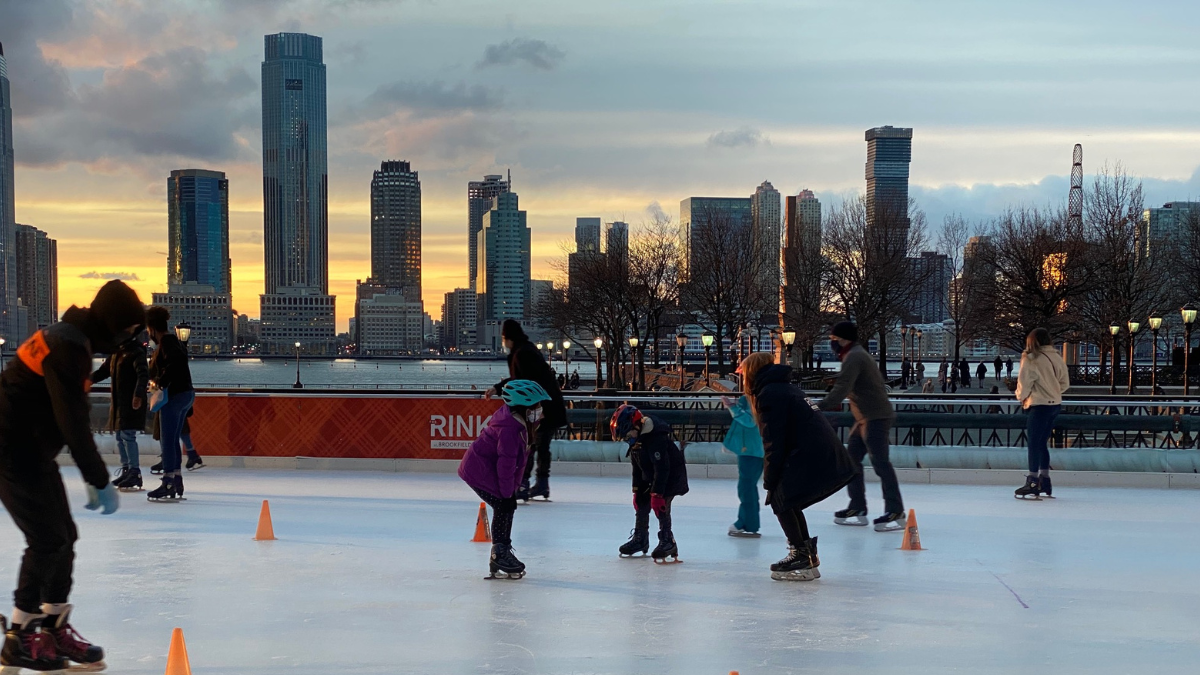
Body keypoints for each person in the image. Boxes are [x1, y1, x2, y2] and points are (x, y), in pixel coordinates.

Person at [0, 280, 144, 672]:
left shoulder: (72, 340)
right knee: (47, 540)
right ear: (114, 324)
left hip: (30, 452)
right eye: (130, 329)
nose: (130, 338)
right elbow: (72, 418)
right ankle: (20, 636)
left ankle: (52, 629)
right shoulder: (67, 344)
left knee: (65, 537)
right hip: (11, 451)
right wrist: (97, 477)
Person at [742, 353, 855, 581]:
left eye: (742, 373)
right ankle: (806, 554)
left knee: (781, 500)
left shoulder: (769, 394)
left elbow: (774, 441)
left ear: (751, 372)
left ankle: (800, 554)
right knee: (788, 500)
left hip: (810, 453)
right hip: (818, 450)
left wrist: (770, 480)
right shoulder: (784, 388)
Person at [458, 380, 550, 579]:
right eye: (537, 407)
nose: (541, 412)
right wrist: (508, 493)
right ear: (524, 408)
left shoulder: (521, 424)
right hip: (478, 471)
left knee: (507, 505)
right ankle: (499, 553)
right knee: (503, 504)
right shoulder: (510, 429)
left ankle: (502, 550)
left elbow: (519, 463)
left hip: (487, 469)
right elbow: (506, 464)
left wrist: (512, 490)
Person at [819, 321, 906, 531]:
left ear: (843, 339)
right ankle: (857, 507)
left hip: (875, 417)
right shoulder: (854, 354)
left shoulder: (855, 356)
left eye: (833, 340)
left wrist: (817, 407)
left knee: (880, 463)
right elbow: (848, 384)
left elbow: (843, 387)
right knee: (851, 462)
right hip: (864, 418)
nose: (832, 344)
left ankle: (896, 510)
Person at [486, 320, 566, 501]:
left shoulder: (522, 354)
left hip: (541, 408)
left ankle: (524, 484)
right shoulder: (525, 351)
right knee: (539, 446)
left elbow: (524, 382)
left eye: (503, 337)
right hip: (547, 406)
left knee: (529, 446)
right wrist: (498, 388)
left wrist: (537, 409)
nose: (502, 341)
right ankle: (540, 484)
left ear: (508, 337)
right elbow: (522, 380)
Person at [611, 404, 688, 563]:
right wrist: (636, 490)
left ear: (637, 425)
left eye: (628, 434)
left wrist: (657, 493)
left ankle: (668, 540)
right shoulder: (636, 439)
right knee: (642, 502)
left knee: (661, 505)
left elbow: (663, 468)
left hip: (670, 474)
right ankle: (641, 538)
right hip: (651, 473)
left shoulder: (655, 437)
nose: (628, 438)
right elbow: (637, 468)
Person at [145, 306, 195, 502]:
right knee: (173, 439)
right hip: (185, 394)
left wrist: (160, 383)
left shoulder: (166, 343)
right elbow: (180, 363)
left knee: (168, 440)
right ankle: (175, 479)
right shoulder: (175, 342)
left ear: (152, 329)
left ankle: (168, 481)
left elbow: (173, 364)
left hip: (173, 396)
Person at [1014, 328, 1070, 499]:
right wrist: (1053, 392)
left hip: (1038, 405)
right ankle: (1045, 480)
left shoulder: (1031, 359)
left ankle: (1032, 480)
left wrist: (1021, 397)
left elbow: (1024, 384)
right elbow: (1065, 383)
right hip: (1055, 405)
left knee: (1033, 444)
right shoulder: (1057, 357)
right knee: (1042, 443)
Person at [90, 335, 149, 491]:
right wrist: (86, 381)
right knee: (119, 435)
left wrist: (138, 394)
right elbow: (103, 372)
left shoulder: (136, 352)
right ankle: (127, 469)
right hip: (119, 403)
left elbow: (143, 374)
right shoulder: (117, 354)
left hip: (131, 402)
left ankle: (134, 471)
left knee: (128, 435)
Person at [721, 356, 767, 537]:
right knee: (747, 486)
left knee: (746, 486)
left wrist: (733, 408)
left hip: (752, 449)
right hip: (753, 448)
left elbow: (749, 421)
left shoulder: (753, 396)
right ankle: (749, 522)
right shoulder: (757, 394)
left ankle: (747, 522)